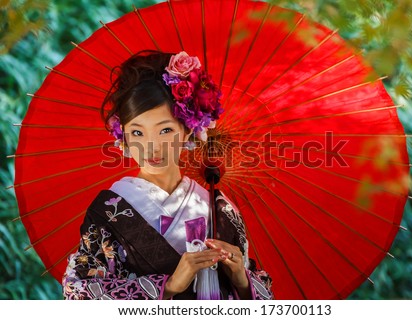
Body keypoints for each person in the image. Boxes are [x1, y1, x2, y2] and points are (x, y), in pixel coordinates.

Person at [62, 50, 273, 300]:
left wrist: (241, 279)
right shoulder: (108, 211)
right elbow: (79, 295)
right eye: (138, 133)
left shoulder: (219, 209)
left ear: (188, 130)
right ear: (124, 137)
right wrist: (170, 286)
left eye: (165, 130)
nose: (151, 146)